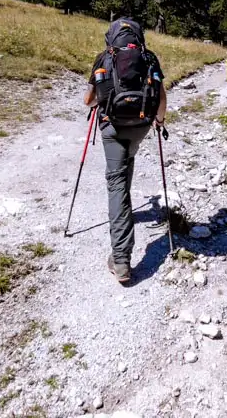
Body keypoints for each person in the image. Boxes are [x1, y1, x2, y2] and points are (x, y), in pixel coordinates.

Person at [83, 18, 167, 284]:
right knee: (127, 161)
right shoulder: (149, 58)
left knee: (116, 183)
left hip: (112, 126)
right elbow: (162, 98)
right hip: (140, 125)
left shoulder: (104, 58)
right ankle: (125, 214)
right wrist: (160, 122)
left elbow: (88, 100)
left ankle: (121, 259)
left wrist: (101, 99)